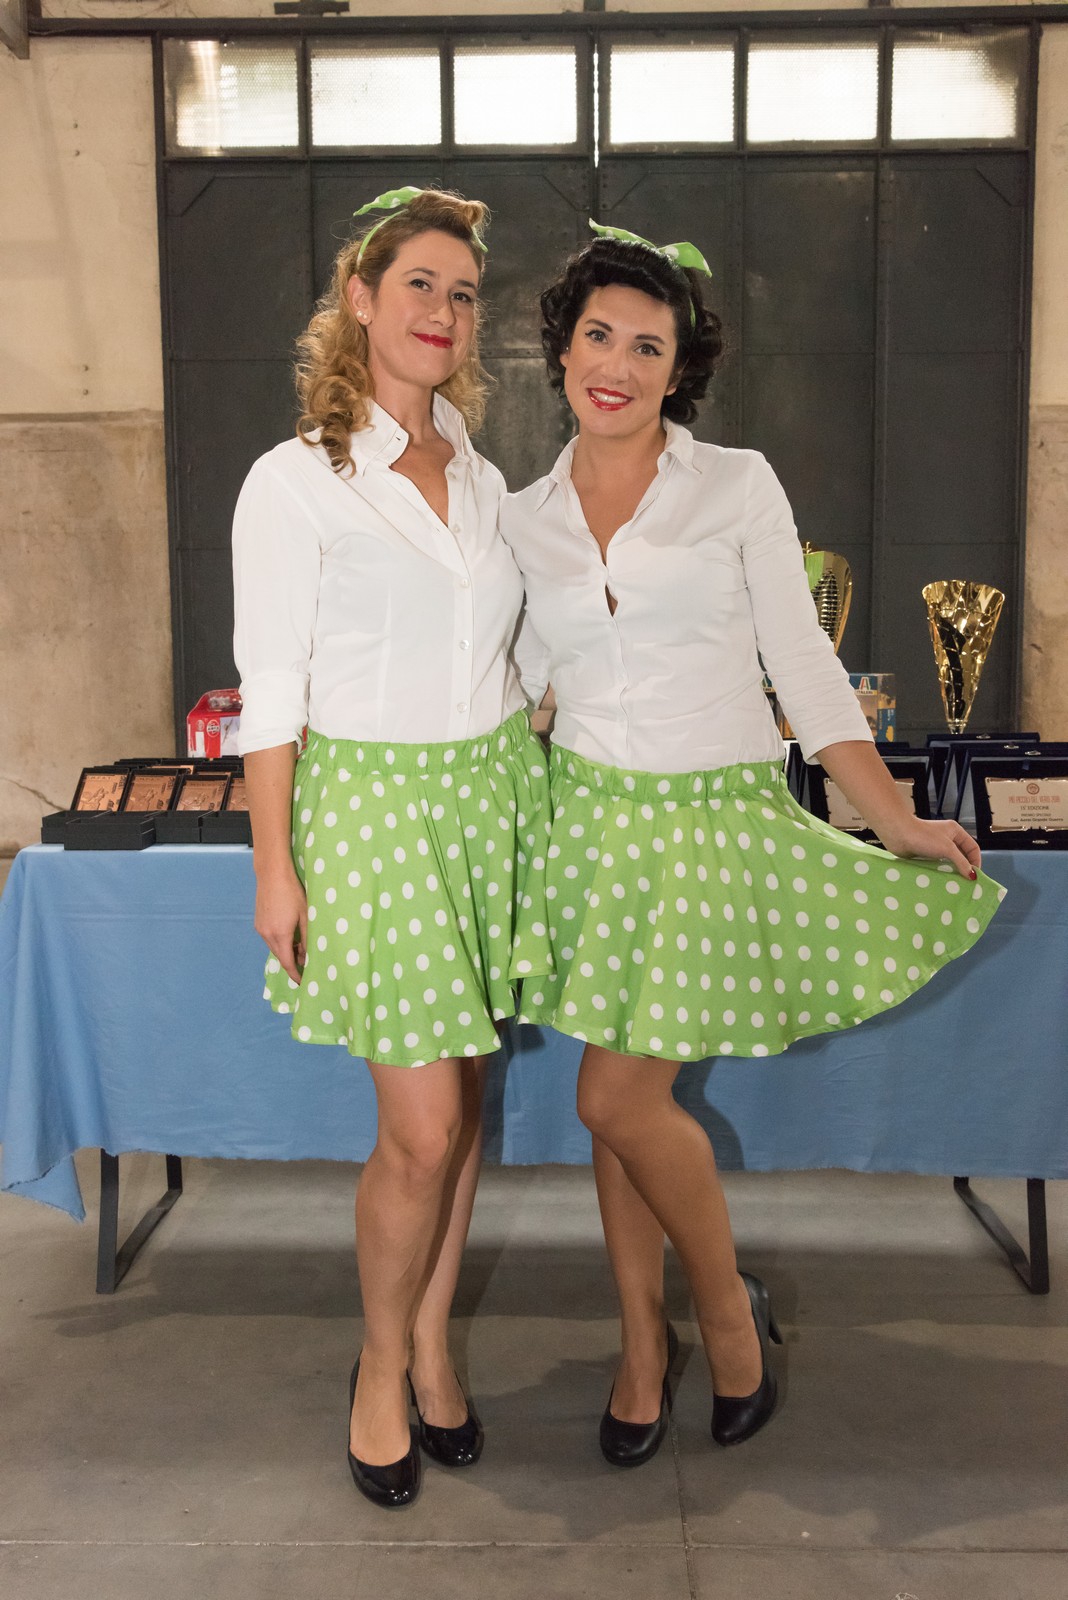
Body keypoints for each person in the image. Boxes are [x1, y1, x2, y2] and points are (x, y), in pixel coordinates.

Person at [501, 223, 1004, 1467]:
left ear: (681, 369)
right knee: (623, 1106)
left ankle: (725, 1314)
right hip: (588, 831)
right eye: (599, 336)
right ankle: (640, 1345)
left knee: (616, 1095)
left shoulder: (736, 485)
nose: (618, 364)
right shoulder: (521, 518)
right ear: (562, 350)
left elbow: (805, 666)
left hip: (709, 829)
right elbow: (517, 687)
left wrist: (893, 815)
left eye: (648, 346)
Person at [232, 187, 551, 1508]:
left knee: (463, 1104)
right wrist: (274, 866)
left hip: (489, 800)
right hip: (372, 818)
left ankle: (430, 1345)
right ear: (359, 298)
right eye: (419, 283)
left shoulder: (478, 468)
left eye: (462, 293)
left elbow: (508, 652)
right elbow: (270, 690)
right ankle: (377, 1364)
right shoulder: (294, 481)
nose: (444, 311)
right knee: (420, 1128)